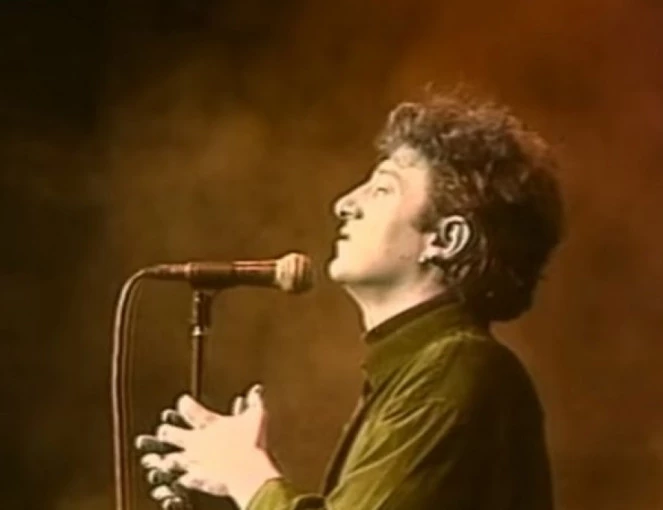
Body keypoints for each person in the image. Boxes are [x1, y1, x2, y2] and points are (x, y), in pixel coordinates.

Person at [135, 94, 565, 510]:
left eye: (382, 190)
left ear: (447, 238)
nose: (344, 204)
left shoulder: (458, 366)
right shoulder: (425, 369)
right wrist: (231, 481)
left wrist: (246, 474)